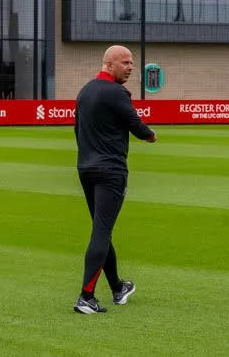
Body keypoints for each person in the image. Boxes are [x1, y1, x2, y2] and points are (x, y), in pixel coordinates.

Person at [73, 45, 156, 314]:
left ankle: (118, 287)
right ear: (109, 64)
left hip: (86, 167)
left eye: (132, 62)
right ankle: (86, 296)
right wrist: (150, 135)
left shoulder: (85, 91)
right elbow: (135, 124)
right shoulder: (116, 92)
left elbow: (78, 129)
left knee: (101, 228)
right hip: (111, 170)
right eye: (125, 62)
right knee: (101, 231)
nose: (131, 67)